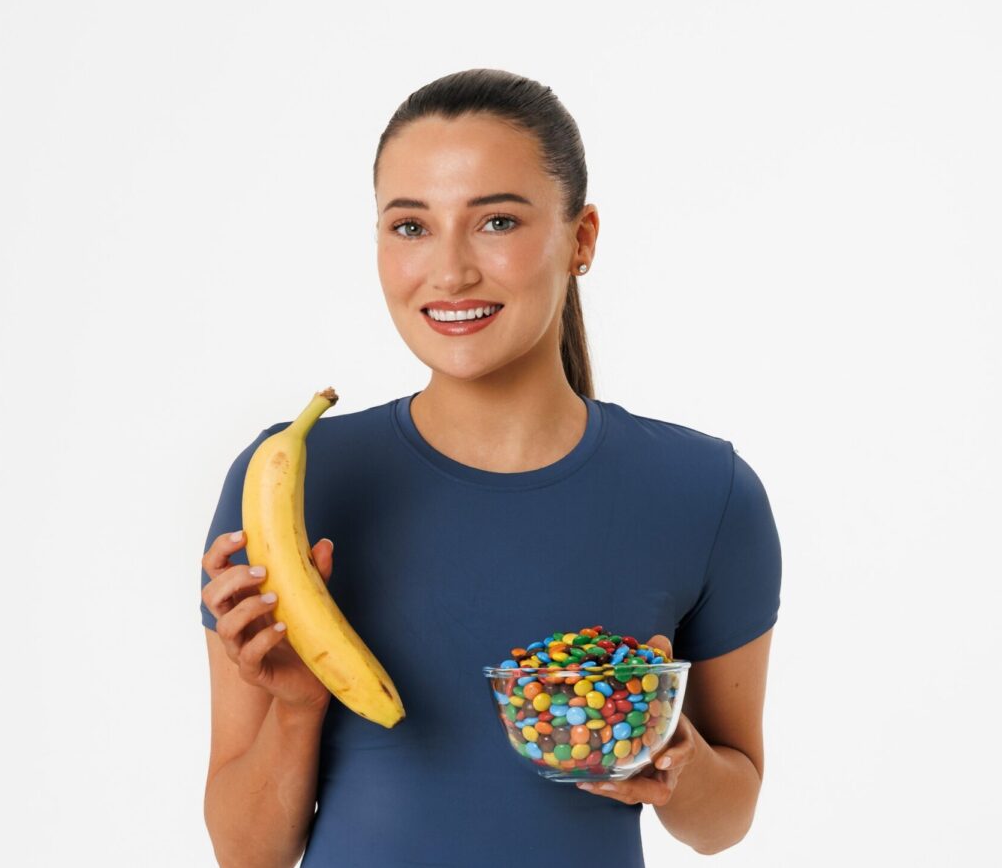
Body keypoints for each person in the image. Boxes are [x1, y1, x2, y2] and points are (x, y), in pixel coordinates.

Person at [199, 68, 781, 867]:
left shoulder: (705, 492)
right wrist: (297, 707)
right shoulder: (292, 486)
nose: (449, 272)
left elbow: (725, 822)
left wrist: (669, 754)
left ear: (581, 239)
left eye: (496, 221)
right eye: (410, 227)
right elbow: (245, 853)